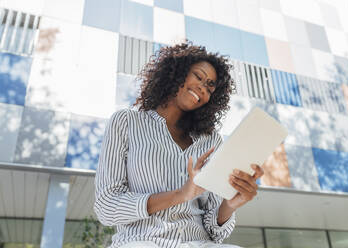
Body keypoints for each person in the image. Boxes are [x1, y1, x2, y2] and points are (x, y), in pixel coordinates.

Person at [94, 41, 264, 248]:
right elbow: (107, 207)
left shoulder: (211, 141)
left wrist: (230, 204)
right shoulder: (126, 122)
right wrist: (181, 195)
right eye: (198, 76)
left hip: (197, 243)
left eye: (210, 86)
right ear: (176, 74)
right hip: (140, 241)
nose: (202, 87)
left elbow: (214, 228)